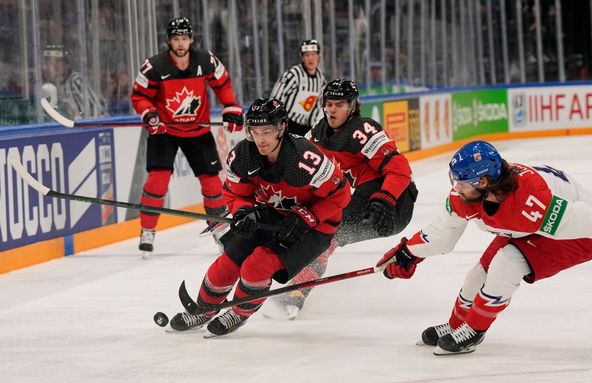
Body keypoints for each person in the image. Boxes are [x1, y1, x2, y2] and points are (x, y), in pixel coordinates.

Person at [376, 140, 592, 356]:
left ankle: (474, 330)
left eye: (462, 183)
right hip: (526, 228)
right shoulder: (472, 196)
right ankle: (456, 325)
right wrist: (407, 252)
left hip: (576, 237)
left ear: (482, 182)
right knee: (477, 274)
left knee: (507, 263)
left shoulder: (531, 202)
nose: (456, 188)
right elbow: (441, 233)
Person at [167, 97, 351, 337]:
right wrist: (243, 211)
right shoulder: (243, 155)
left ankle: (239, 312)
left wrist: (308, 216)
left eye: (266, 131)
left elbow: (342, 194)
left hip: (315, 226)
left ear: (281, 128)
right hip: (274, 213)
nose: (261, 139)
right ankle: (204, 308)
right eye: (255, 131)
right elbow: (234, 194)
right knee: (229, 260)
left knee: (258, 263)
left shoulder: (305, 158)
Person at [263, 79, 418, 320]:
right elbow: (298, 166)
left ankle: (296, 293)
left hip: (395, 204)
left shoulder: (363, 130)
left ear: (353, 106)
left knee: (328, 235)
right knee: (322, 234)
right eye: (329, 104)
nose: (333, 110)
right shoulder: (318, 133)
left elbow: (400, 169)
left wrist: (386, 198)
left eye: (340, 104)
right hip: (368, 202)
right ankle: (295, 287)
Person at [130, 17, 244, 253]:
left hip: (198, 131)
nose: (180, 43)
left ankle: (219, 228)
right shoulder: (154, 67)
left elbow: (222, 84)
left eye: (184, 38)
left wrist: (230, 107)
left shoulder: (206, 60)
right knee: (157, 182)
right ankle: (148, 230)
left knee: (212, 184)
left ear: (191, 39)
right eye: (175, 39)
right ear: (169, 41)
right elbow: (139, 96)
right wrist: (150, 114)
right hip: (165, 131)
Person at [269, 39, 325, 136]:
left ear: (318, 57)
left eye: (313, 54)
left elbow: (319, 105)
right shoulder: (293, 74)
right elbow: (275, 98)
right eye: (307, 55)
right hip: (287, 125)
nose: (310, 58)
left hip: (306, 128)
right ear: (302, 58)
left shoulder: (320, 78)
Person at [41, 44, 107, 118]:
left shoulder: (76, 80)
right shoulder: (54, 83)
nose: (55, 65)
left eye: (59, 61)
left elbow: (94, 110)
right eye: (51, 62)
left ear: (66, 64)